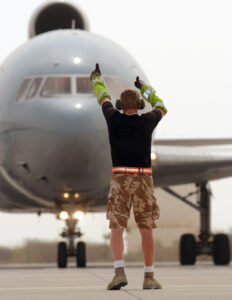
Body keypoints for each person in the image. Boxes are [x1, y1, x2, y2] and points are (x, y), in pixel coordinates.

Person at [90, 64, 167, 290]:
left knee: (117, 228)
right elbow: (162, 107)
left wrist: (97, 80)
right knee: (146, 229)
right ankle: (149, 277)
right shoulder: (148, 120)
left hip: (121, 178)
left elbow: (103, 98)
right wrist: (145, 90)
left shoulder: (113, 118)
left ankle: (119, 272)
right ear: (140, 105)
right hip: (144, 179)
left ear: (120, 105)